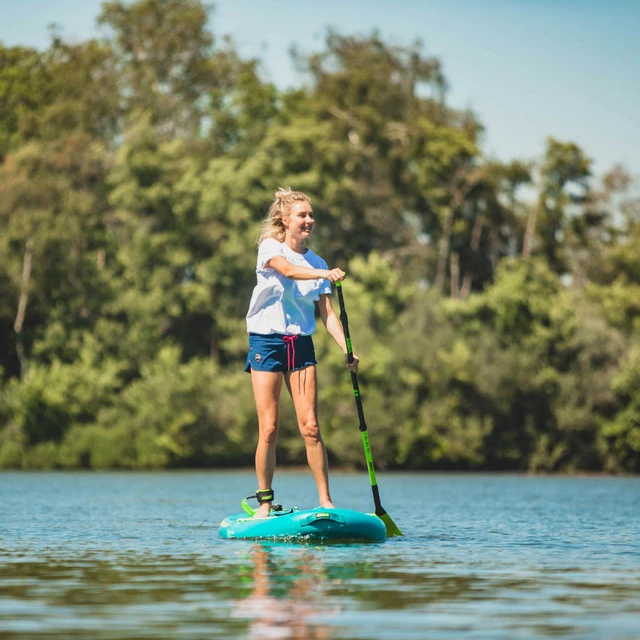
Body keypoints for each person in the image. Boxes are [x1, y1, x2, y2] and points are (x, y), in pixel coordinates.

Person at [244, 187, 358, 518]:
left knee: (310, 426)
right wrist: (325, 274)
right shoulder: (270, 248)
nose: (309, 220)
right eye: (302, 215)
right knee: (269, 428)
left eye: (311, 215)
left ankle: (326, 502)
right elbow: (290, 271)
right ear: (285, 219)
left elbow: (328, 315)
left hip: (300, 345)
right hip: (266, 343)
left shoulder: (317, 260)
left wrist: (347, 350)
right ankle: (264, 502)